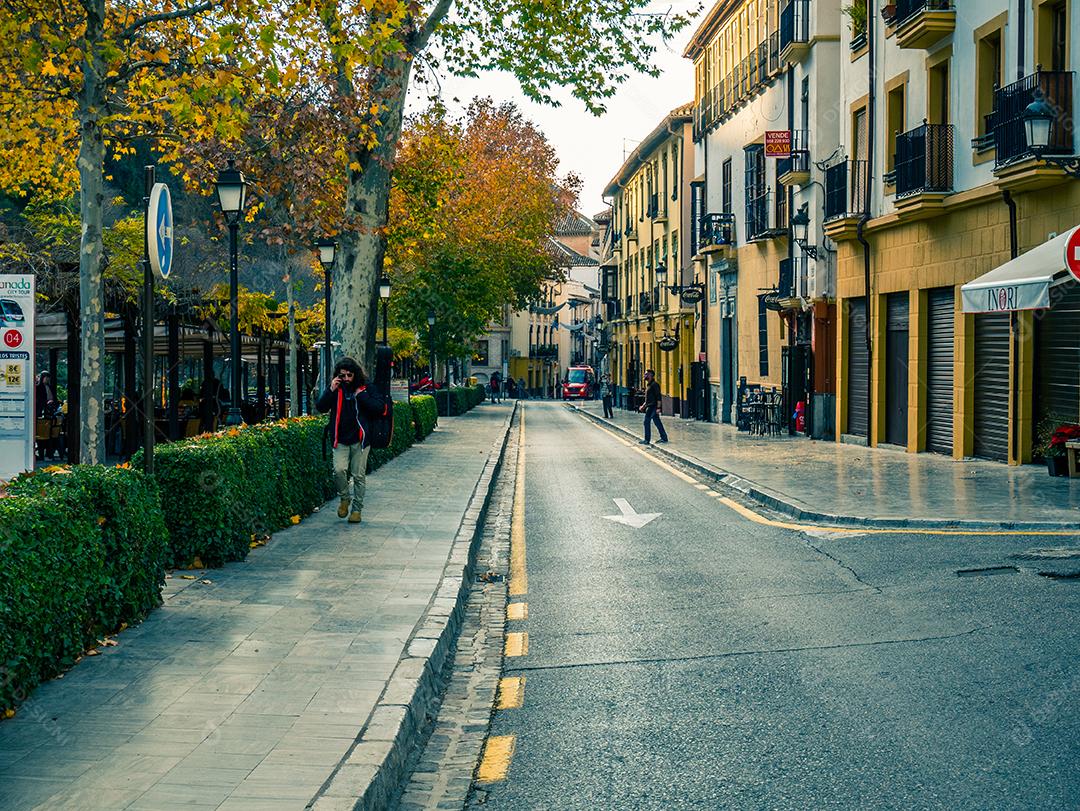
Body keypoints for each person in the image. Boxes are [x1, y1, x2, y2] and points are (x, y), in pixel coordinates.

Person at [316, 357, 387, 524]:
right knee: (339, 470)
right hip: (340, 440)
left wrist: (362, 396)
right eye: (343, 376)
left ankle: (357, 509)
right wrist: (330, 390)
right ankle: (344, 498)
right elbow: (320, 407)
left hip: (360, 440)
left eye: (350, 375)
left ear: (356, 374)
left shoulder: (366, 387)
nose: (347, 379)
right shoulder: (336, 389)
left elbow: (379, 408)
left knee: (358, 475)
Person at [638, 369, 668, 445]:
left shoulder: (655, 385)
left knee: (646, 422)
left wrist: (658, 408)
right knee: (657, 422)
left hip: (653, 407)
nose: (644, 376)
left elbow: (658, 397)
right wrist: (643, 406)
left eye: (646, 374)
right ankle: (664, 438)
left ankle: (647, 440)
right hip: (650, 406)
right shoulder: (649, 385)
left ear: (651, 375)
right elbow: (648, 399)